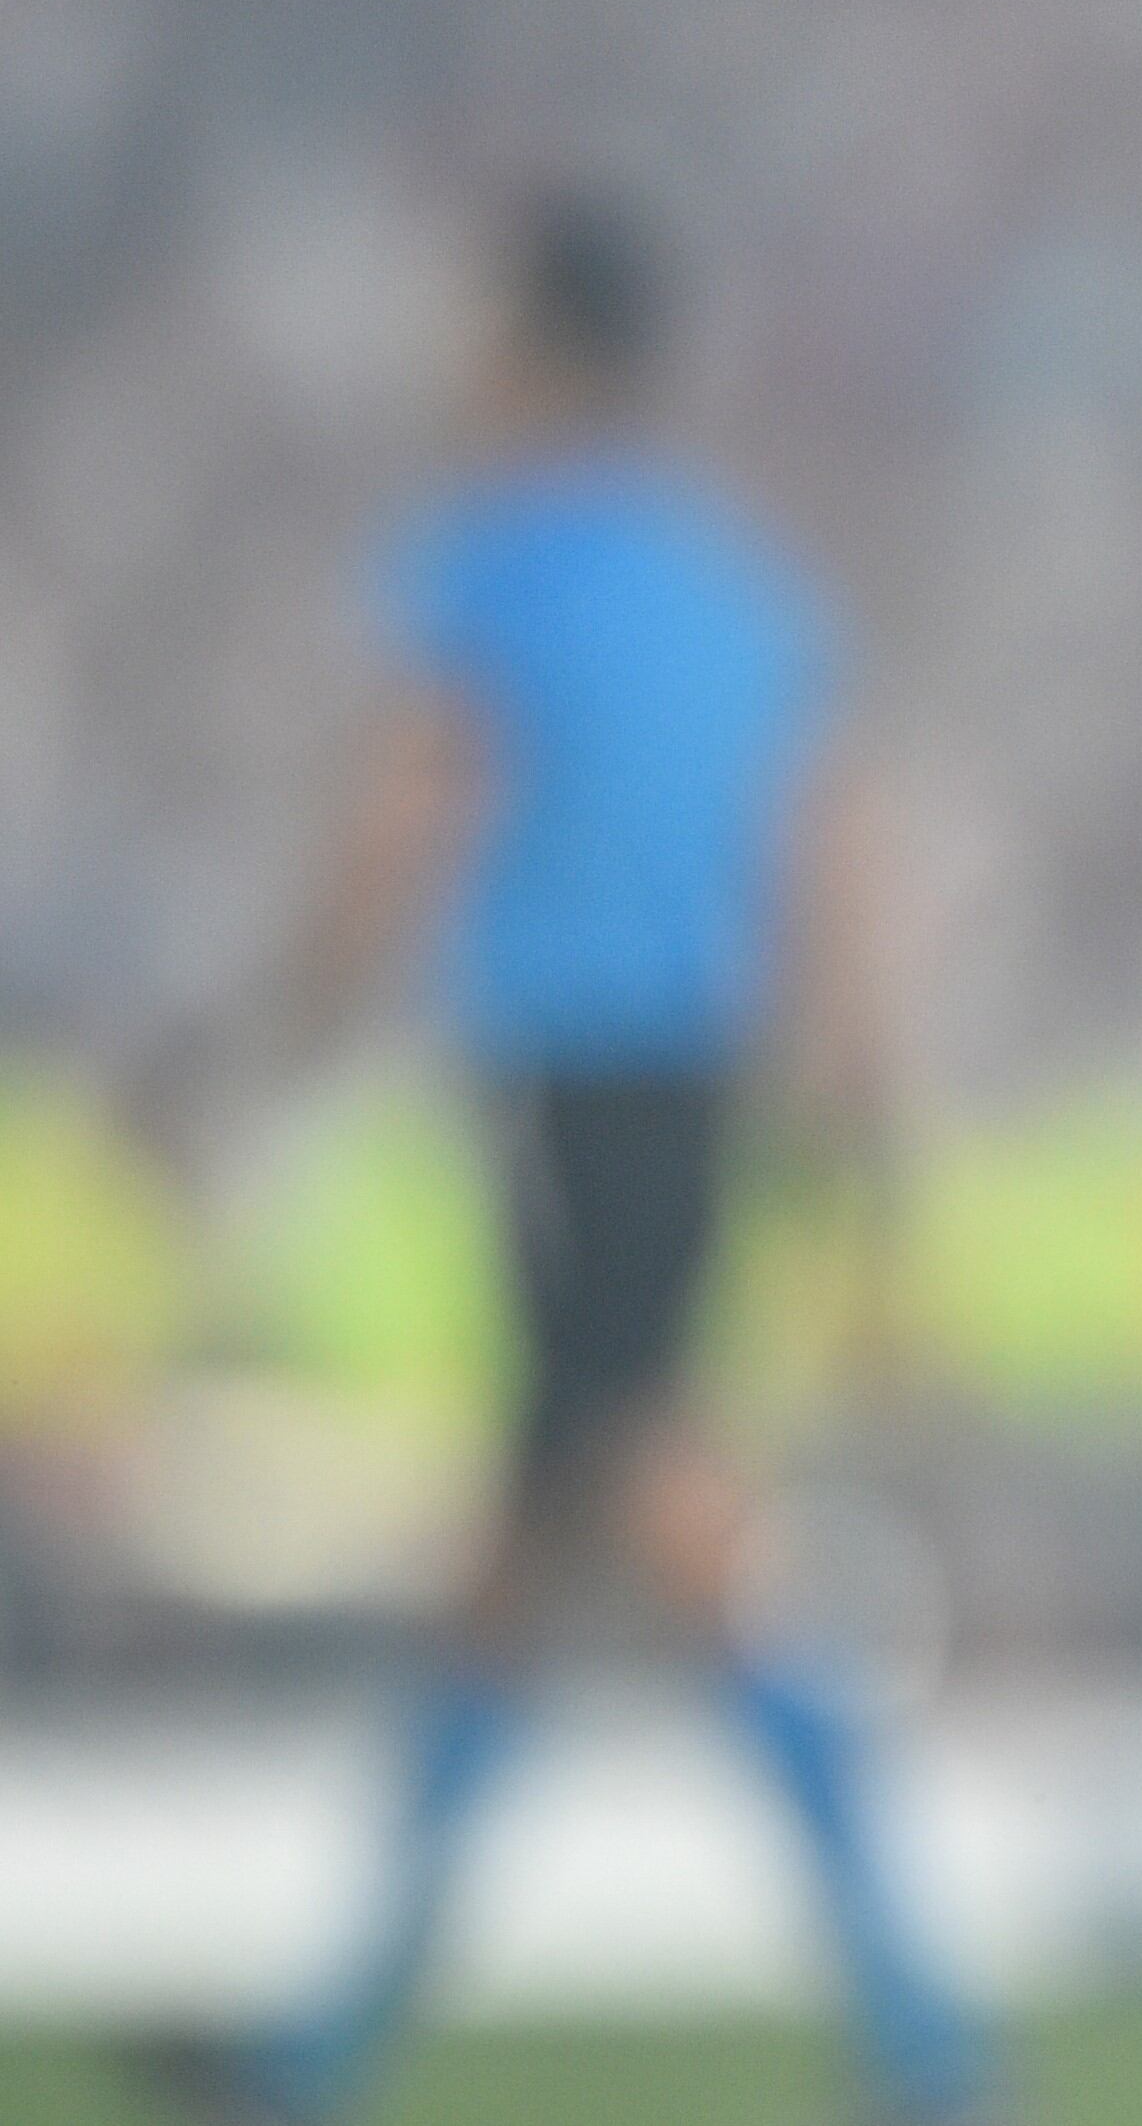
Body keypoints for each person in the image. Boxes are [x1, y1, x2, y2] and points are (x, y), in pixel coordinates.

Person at [152, 193, 990, 2125]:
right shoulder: (742, 591)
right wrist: (857, 1132)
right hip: (691, 1096)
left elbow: (405, 808)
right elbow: (832, 870)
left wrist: (276, 1034)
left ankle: (929, 2041)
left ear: (529, 351)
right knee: (518, 1566)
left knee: (670, 1523)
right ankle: (325, 2041)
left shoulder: (484, 570)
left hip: (568, 1089)